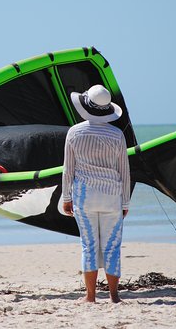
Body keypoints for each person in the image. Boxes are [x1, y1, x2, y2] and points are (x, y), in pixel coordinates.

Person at [61, 85, 130, 303]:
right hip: (112, 197)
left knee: (89, 246)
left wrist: (66, 198)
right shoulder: (117, 134)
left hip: (84, 196)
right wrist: (125, 201)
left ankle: (90, 297)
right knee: (112, 247)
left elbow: (68, 170)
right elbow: (124, 171)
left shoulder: (74, 132)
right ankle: (114, 296)